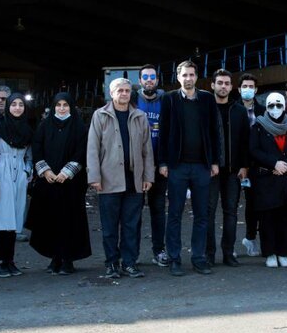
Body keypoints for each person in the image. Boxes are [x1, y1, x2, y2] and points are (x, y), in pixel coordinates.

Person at [157, 60, 222, 276]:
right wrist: (163, 162)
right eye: (184, 75)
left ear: (197, 77)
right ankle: (175, 258)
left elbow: (214, 131)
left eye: (192, 75)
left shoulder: (207, 99)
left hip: (202, 167)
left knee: (202, 214)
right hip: (177, 166)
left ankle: (199, 258)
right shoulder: (169, 99)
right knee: (174, 214)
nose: (188, 79)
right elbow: (163, 132)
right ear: (178, 77)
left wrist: (214, 161)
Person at [88, 78, 154, 279]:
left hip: (134, 180)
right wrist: (94, 177)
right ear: (111, 92)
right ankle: (111, 264)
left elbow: (147, 149)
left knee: (131, 225)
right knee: (109, 227)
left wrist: (148, 176)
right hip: (109, 180)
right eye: (120, 90)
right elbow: (92, 148)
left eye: (127, 90)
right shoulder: (100, 115)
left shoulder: (140, 116)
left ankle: (129, 263)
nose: (124, 94)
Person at [26, 93, 92, 275]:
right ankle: (55, 258)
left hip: (71, 184)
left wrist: (66, 173)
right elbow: (37, 149)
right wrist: (45, 171)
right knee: (51, 220)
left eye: (65, 105)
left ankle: (68, 260)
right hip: (49, 184)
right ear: (53, 106)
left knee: (70, 221)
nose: (62, 108)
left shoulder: (80, 128)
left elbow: (82, 151)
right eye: (58, 105)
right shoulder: (44, 126)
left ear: (71, 107)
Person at [249, 92, 287, 268]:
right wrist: (274, 163)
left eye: (279, 105)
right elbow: (254, 149)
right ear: (266, 107)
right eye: (271, 105)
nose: (275, 109)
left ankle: (284, 252)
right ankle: (270, 253)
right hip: (267, 178)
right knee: (268, 218)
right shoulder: (258, 127)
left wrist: (286, 164)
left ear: (284, 106)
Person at [0, 93, 33, 278]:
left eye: (20, 104)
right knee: (2, 221)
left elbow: (30, 155)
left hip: (19, 175)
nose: (17, 108)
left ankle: (10, 260)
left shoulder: (27, 130)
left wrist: (27, 172)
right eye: (13, 104)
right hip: (2, 174)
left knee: (14, 221)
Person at [206, 69, 249, 267]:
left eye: (226, 83)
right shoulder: (205, 108)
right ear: (212, 85)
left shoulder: (239, 111)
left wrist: (244, 166)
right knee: (208, 212)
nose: (223, 86)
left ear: (232, 87)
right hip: (210, 171)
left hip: (233, 171)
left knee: (231, 212)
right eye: (220, 83)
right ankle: (209, 253)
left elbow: (245, 141)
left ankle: (228, 253)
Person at [132, 64, 168, 267]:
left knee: (158, 210)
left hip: (159, 166)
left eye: (152, 77)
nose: (149, 80)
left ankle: (159, 251)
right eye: (145, 77)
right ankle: (132, 253)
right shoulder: (132, 100)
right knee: (134, 211)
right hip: (137, 166)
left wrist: (165, 161)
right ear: (140, 81)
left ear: (157, 80)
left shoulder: (166, 100)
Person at [237, 72, 264, 257]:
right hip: (235, 163)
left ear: (256, 90)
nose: (248, 90)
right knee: (230, 205)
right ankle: (228, 246)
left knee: (254, 203)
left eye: (251, 87)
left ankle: (251, 238)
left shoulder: (263, 110)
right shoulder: (232, 108)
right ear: (239, 89)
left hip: (256, 164)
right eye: (244, 87)